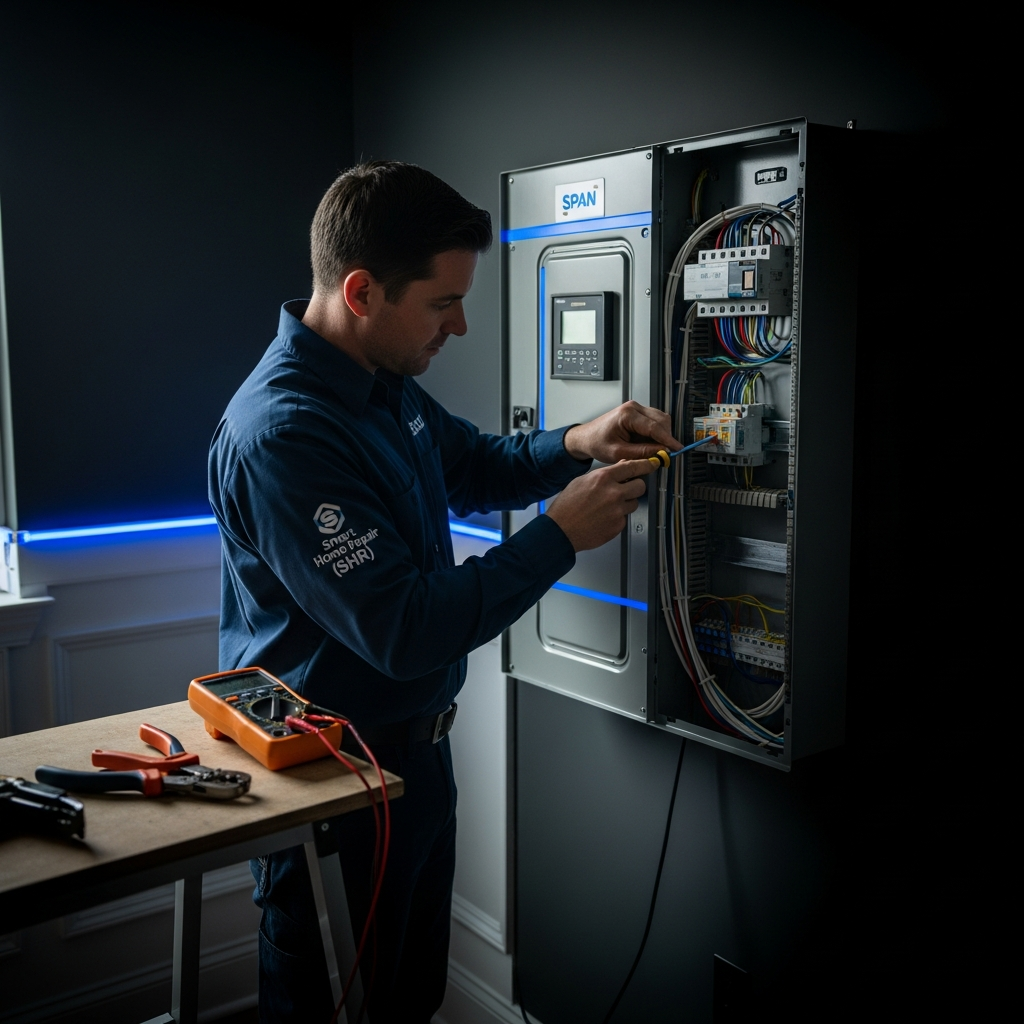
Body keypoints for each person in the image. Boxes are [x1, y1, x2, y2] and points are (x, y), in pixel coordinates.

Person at [208, 161, 681, 1023]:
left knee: (408, 1001)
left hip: (417, 760)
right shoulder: (285, 433)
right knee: (339, 1008)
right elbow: (406, 629)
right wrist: (559, 535)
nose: (460, 327)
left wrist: (579, 439)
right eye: (441, 303)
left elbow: (470, 464)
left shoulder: (381, 383)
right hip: (333, 786)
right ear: (361, 291)